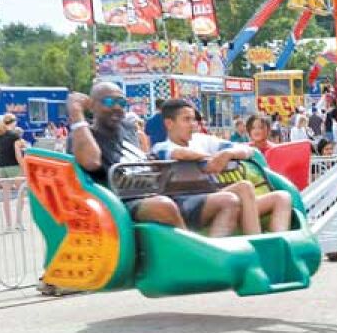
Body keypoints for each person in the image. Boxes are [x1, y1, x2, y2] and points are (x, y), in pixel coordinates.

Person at [66, 82, 242, 236]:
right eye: (109, 102)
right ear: (93, 106)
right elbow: (90, 162)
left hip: (158, 191)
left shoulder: (127, 128)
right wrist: (77, 114)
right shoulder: (83, 135)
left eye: (121, 102)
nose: (117, 107)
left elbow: (146, 158)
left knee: (229, 200)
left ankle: (215, 256)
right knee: (163, 206)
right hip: (121, 204)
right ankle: (197, 256)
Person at [151, 99, 293, 235]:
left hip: (213, 194)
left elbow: (247, 151)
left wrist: (227, 153)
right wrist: (209, 159)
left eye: (193, 119)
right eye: (186, 120)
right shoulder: (162, 147)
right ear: (169, 124)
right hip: (187, 204)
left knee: (282, 197)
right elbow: (180, 154)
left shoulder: (202, 139)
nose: (192, 124)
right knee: (240, 190)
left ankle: (279, 248)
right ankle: (255, 241)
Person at [0, 113, 26, 232]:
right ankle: (19, 222)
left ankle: (8, 225)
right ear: (13, 122)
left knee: (6, 197)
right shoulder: (15, 136)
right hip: (14, 167)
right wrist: (24, 169)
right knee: (21, 195)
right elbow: (18, 155)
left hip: (2, 168)